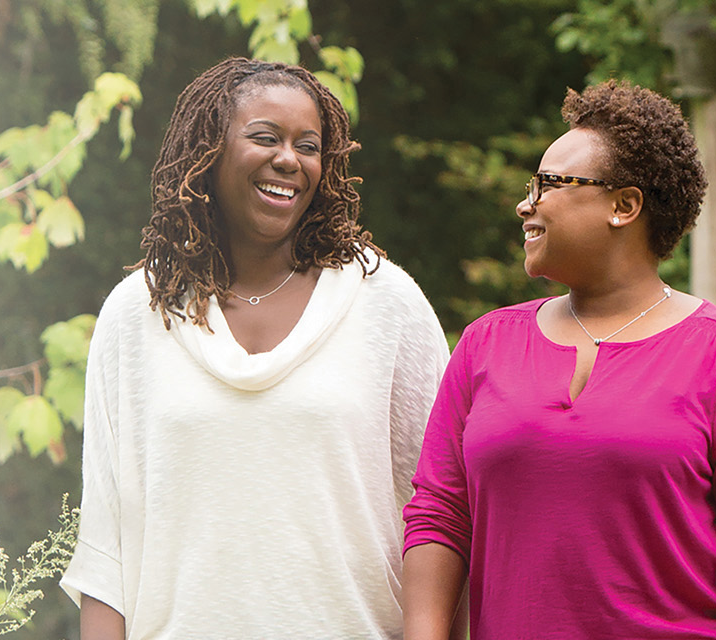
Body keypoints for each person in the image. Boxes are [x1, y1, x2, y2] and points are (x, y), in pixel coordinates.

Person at [60, 57, 450, 639]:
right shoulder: (135, 312)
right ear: (207, 155)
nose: (289, 160)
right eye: (265, 138)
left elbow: (442, 515)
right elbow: (106, 544)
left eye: (308, 145)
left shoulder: (386, 303)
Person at [400, 80, 716, 640]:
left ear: (624, 205)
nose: (526, 203)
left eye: (548, 185)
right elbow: (440, 513)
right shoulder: (485, 344)